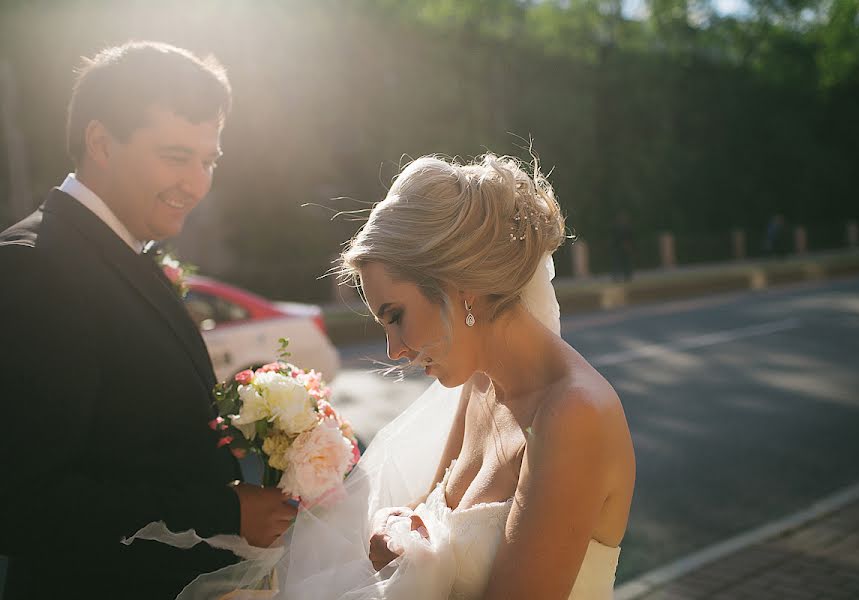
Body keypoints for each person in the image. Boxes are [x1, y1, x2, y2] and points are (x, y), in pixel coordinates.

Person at [175, 154, 635, 600]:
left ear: (460, 287)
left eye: (395, 316)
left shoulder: (573, 416)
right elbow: (421, 517)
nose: (394, 350)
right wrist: (390, 536)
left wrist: (404, 558)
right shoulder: (479, 385)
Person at [0, 41, 295, 600]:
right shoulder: (34, 265)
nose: (196, 183)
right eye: (176, 156)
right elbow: (20, 498)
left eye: (208, 161)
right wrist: (223, 510)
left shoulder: (122, 252)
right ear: (101, 142)